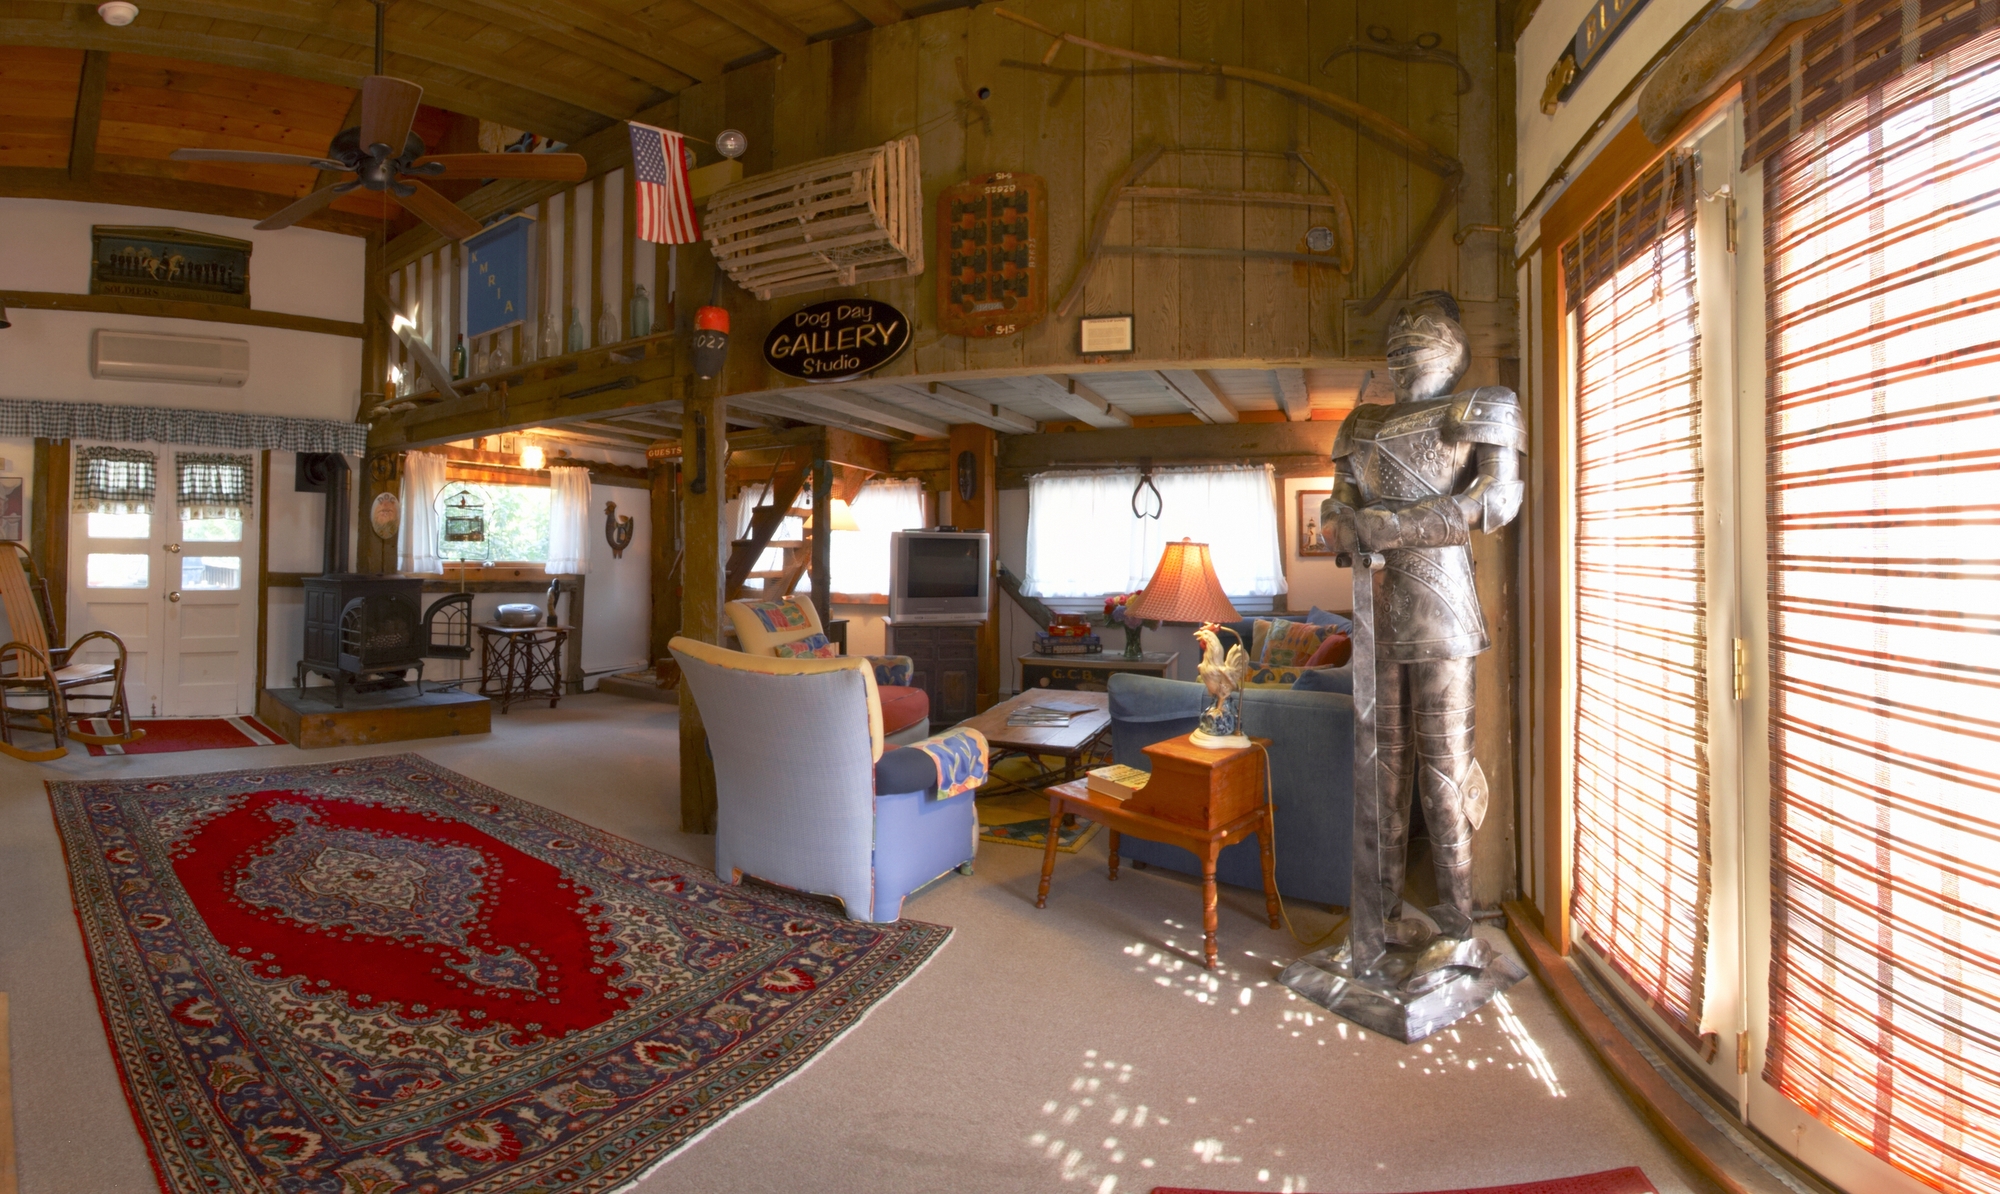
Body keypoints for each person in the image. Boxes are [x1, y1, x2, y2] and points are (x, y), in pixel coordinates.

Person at [1319, 290, 1525, 974]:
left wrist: (1402, 525)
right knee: (1381, 768)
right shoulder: (1364, 421)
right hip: (1377, 601)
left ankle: (1458, 922)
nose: (1405, 341)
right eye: (1397, 332)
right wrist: (1338, 520)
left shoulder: (1480, 404)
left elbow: (1497, 498)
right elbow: (1341, 499)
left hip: (1442, 608)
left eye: (1422, 331)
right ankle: (1377, 916)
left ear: (1455, 344)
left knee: (1442, 771)